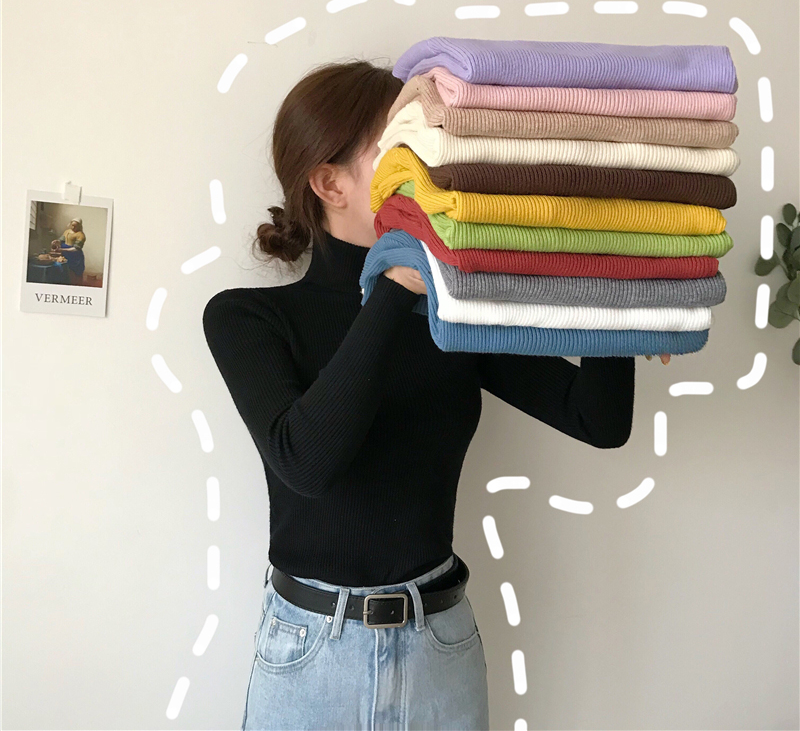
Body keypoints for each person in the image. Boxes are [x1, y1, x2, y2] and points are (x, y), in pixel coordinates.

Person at [202, 59, 652, 731]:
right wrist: (399, 280)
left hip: (439, 647)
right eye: (400, 148)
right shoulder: (246, 317)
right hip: (310, 656)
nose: (430, 167)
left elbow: (597, 420)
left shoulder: (454, 316)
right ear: (329, 183)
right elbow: (307, 462)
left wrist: (617, 306)